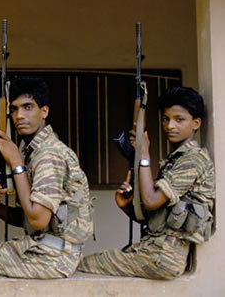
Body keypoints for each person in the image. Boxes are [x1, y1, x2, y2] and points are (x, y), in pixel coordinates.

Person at [0, 77, 93, 278]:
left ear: (44, 111)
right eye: (14, 109)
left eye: (28, 107)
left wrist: (16, 163)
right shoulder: (33, 152)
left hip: (52, 258)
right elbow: (30, 218)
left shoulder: (48, 154)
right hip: (46, 250)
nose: (19, 115)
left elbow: (38, 219)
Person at [78, 86, 215, 279]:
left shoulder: (193, 160)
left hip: (164, 257)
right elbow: (154, 219)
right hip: (155, 251)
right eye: (166, 119)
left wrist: (143, 154)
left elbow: (151, 201)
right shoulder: (176, 160)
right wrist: (126, 206)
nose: (170, 126)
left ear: (196, 123)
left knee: (84, 265)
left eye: (179, 119)